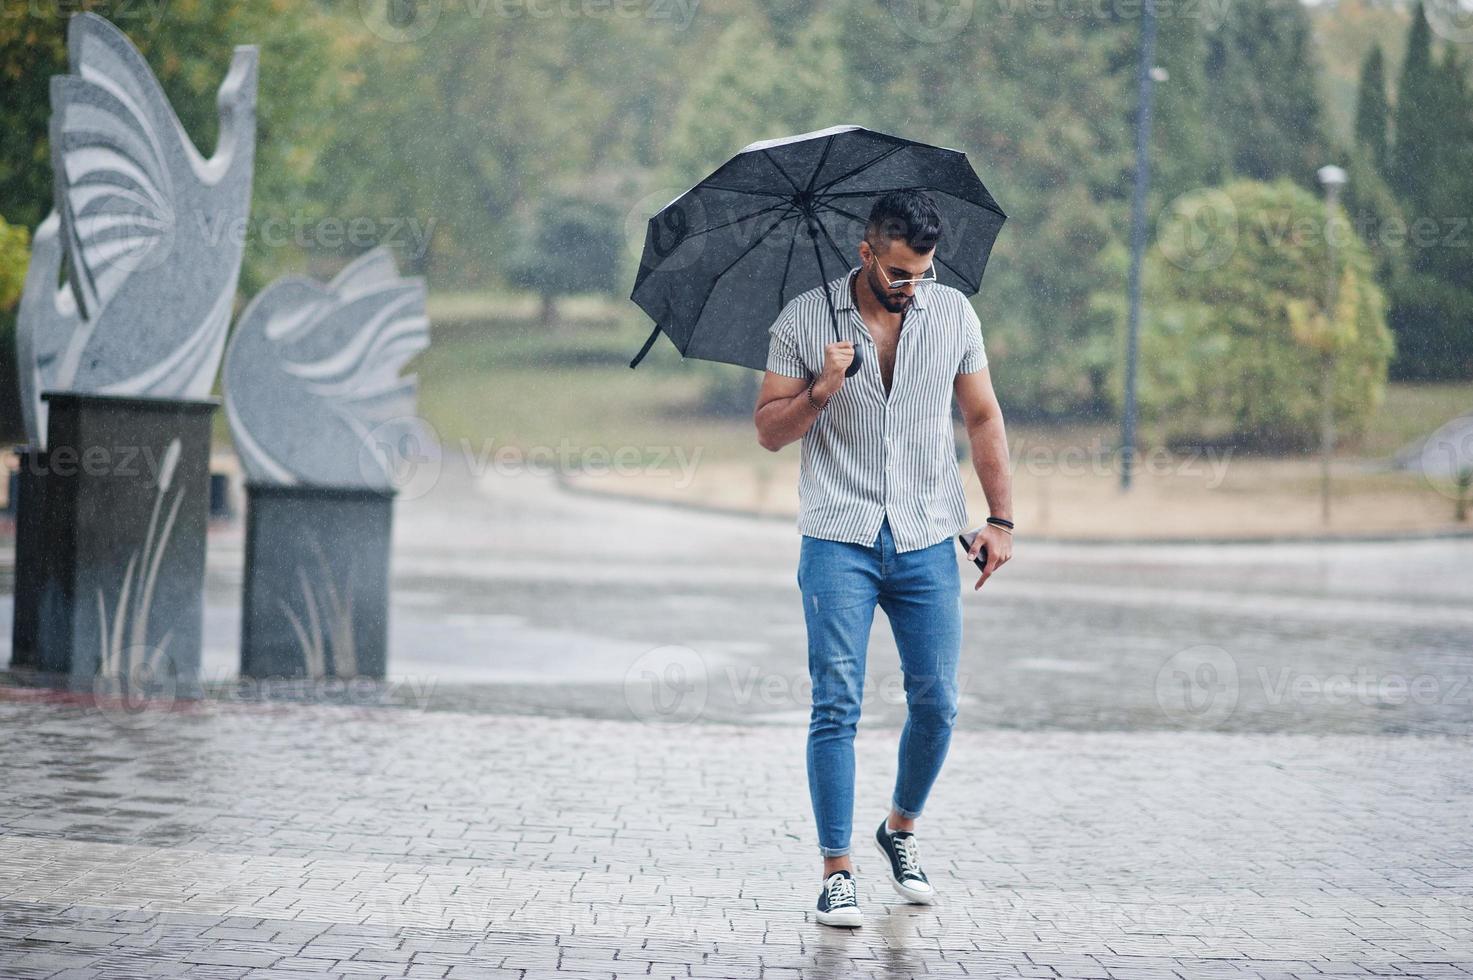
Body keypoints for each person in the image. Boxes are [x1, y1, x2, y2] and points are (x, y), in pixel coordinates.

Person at [752, 189, 1013, 928]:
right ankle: (836, 870)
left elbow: (983, 415)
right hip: (839, 536)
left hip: (930, 534)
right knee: (836, 700)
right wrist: (820, 390)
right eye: (898, 272)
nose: (910, 286)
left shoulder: (953, 314)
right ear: (865, 254)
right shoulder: (804, 320)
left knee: (937, 701)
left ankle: (899, 829)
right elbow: (770, 431)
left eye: (921, 271)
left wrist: (1000, 519)